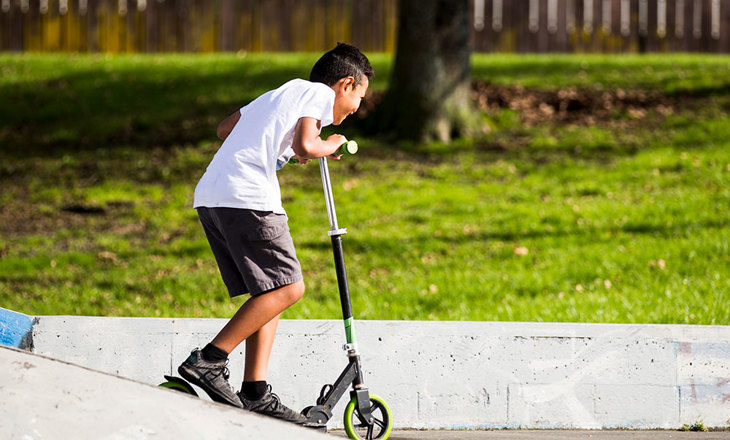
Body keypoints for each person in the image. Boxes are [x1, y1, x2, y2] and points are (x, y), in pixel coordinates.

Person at [177, 43, 373, 424]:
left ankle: (255, 392)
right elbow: (305, 143)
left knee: (270, 293)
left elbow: (225, 129)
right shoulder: (319, 93)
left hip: (213, 195)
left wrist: (281, 146)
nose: (354, 111)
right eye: (358, 99)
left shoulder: (281, 92)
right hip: (248, 196)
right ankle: (210, 360)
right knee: (290, 288)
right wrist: (324, 145)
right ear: (345, 84)